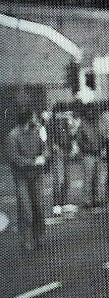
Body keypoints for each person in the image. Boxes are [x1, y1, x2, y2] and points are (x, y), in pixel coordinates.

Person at [6, 108, 48, 254]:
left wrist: (44, 156)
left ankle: (39, 235)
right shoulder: (13, 136)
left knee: (39, 206)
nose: (36, 120)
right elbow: (14, 158)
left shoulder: (37, 131)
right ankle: (27, 239)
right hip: (22, 177)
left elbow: (44, 148)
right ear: (27, 119)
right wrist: (33, 162)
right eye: (33, 117)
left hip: (36, 175)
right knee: (25, 209)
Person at [46, 102, 78, 214]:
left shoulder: (65, 122)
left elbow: (72, 134)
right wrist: (54, 147)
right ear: (58, 113)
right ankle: (56, 204)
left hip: (66, 152)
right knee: (58, 180)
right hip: (57, 153)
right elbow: (49, 139)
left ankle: (63, 202)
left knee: (66, 179)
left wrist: (70, 123)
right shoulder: (51, 123)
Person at [77, 104, 105, 208]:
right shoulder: (83, 124)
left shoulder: (97, 123)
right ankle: (86, 200)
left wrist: (101, 148)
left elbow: (102, 137)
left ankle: (96, 198)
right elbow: (80, 140)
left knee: (97, 178)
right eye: (89, 111)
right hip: (88, 155)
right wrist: (88, 149)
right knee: (88, 179)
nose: (91, 113)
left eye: (93, 111)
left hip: (97, 154)